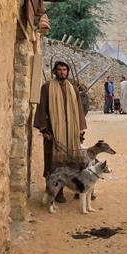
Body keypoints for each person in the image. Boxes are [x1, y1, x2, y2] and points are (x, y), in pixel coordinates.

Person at [34, 60, 87, 203]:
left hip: (71, 132)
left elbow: (79, 109)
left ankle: (74, 188)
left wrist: (81, 129)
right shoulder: (46, 88)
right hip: (53, 132)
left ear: (67, 72)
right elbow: (41, 109)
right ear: (55, 71)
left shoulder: (73, 89)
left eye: (64, 69)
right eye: (59, 69)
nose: (62, 72)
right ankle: (55, 191)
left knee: (71, 162)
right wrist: (44, 129)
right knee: (53, 162)